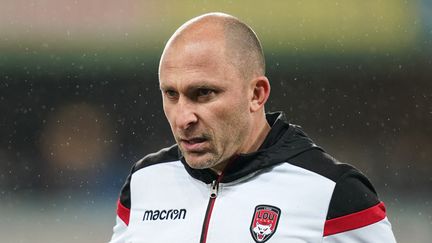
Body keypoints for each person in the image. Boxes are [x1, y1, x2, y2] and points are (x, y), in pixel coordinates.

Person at [109, 12, 397, 243]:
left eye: (204, 93)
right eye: (171, 94)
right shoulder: (144, 182)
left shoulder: (334, 193)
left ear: (256, 94)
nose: (183, 118)